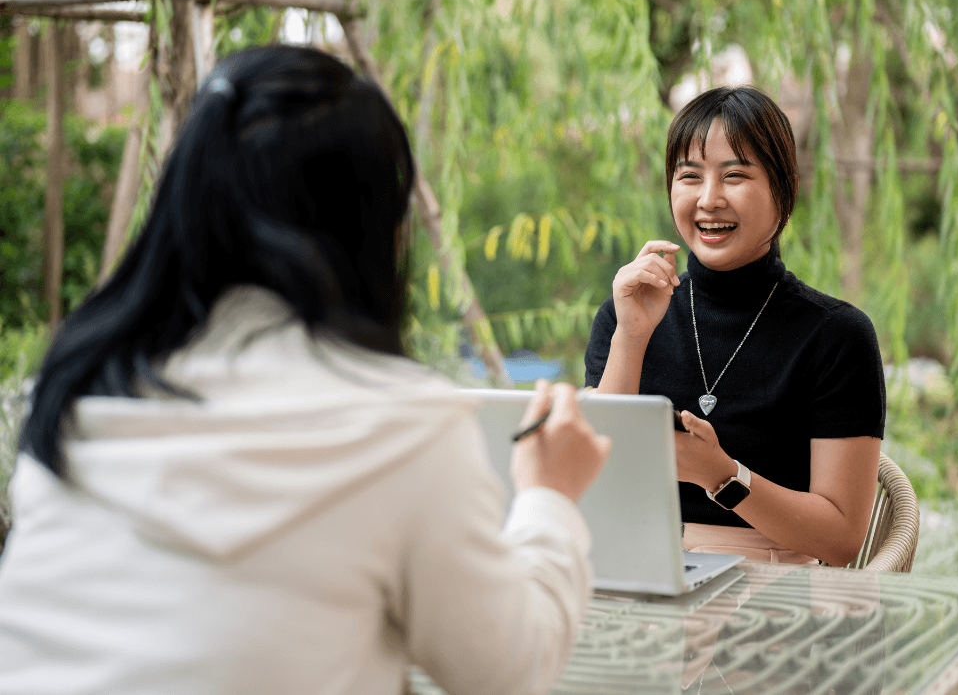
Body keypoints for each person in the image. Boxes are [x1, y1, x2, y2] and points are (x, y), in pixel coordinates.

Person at [0, 45, 611, 695]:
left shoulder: (78, 386)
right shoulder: (400, 425)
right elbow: (506, 670)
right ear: (374, 226)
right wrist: (548, 496)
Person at [584, 86, 885, 567]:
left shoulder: (836, 336)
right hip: (633, 574)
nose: (709, 199)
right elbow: (594, 479)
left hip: (770, 596)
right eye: (689, 176)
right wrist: (632, 338)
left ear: (783, 191)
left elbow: (842, 537)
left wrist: (724, 477)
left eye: (735, 175)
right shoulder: (626, 315)